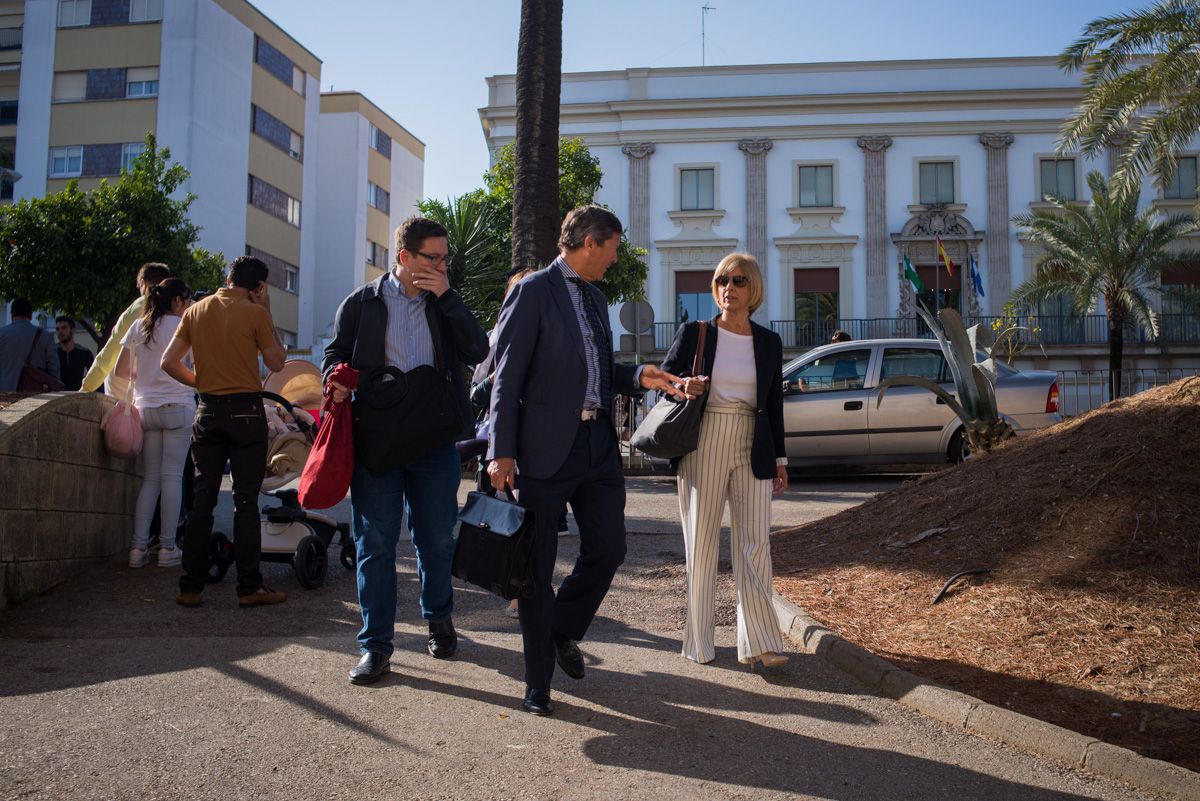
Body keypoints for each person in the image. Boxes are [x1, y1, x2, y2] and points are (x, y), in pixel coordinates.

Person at [486, 205, 687, 716]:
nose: (615, 260)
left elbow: (600, 368)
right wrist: (501, 450)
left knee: (610, 549)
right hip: (543, 450)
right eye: (614, 249)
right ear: (590, 242)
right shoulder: (533, 292)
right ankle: (537, 686)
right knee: (536, 567)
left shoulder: (597, 299)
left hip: (597, 446)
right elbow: (506, 377)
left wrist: (640, 374)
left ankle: (559, 629)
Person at [324, 216, 489, 686]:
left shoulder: (444, 304)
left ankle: (438, 617)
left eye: (444, 258)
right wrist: (334, 379)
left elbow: (478, 350)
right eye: (431, 258)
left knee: (437, 538)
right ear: (404, 258)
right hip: (378, 439)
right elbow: (334, 355)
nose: (441, 266)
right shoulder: (361, 304)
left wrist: (448, 297)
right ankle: (375, 646)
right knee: (374, 542)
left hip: (435, 439)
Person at [660, 253, 789, 670]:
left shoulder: (768, 342)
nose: (728, 288)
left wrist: (781, 458)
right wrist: (684, 385)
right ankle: (700, 642)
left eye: (738, 281)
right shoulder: (696, 333)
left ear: (753, 289)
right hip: (706, 437)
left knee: (756, 544)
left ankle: (761, 643)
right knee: (702, 540)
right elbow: (664, 383)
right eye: (721, 281)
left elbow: (773, 402)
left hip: (753, 440)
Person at [161, 256, 288, 609]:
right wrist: (267, 312)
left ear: (228, 278)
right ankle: (249, 586)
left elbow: (169, 362)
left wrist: (200, 382)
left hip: (208, 410)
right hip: (247, 412)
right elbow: (277, 362)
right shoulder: (256, 314)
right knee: (245, 502)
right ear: (258, 287)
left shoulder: (196, 311)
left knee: (202, 501)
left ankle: (191, 586)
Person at [121, 278, 195, 568]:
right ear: (177, 301)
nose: (188, 305)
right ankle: (167, 548)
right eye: (187, 300)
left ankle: (137, 550)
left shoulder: (139, 326)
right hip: (178, 407)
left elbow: (121, 370)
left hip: (146, 409)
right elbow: (198, 367)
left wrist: (148, 381)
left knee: (150, 479)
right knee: (172, 478)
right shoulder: (184, 326)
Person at [81, 263, 171, 393]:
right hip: (168, 386)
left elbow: (109, 353)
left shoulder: (138, 307)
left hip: (126, 388)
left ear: (142, 283)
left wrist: (85, 388)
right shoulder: (182, 305)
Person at [0, 299, 60, 392]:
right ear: (31, 315)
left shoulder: (2, 334)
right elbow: (54, 370)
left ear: (12, 315)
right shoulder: (45, 336)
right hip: (34, 396)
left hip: (4, 395)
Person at [55, 316, 94, 391]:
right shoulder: (52, 352)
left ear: (72, 330)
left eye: (64, 328)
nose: (60, 331)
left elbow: (93, 377)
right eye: (57, 329)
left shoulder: (84, 353)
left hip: (77, 397)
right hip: (56, 396)